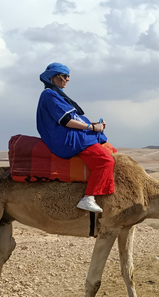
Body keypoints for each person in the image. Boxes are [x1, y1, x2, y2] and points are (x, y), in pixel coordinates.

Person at [36, 62, 114, 213]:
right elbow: (65, 120)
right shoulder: (49, 94)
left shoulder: (55, 94)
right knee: (105, 161)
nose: (68, 79)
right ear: (54, 77)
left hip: (70, 134)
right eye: (65, 76)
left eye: (68, 76)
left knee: (110, 149)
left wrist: (93, 125)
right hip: (66, 139)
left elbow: (72, 118)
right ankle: (88, 198)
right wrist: (91, 127)